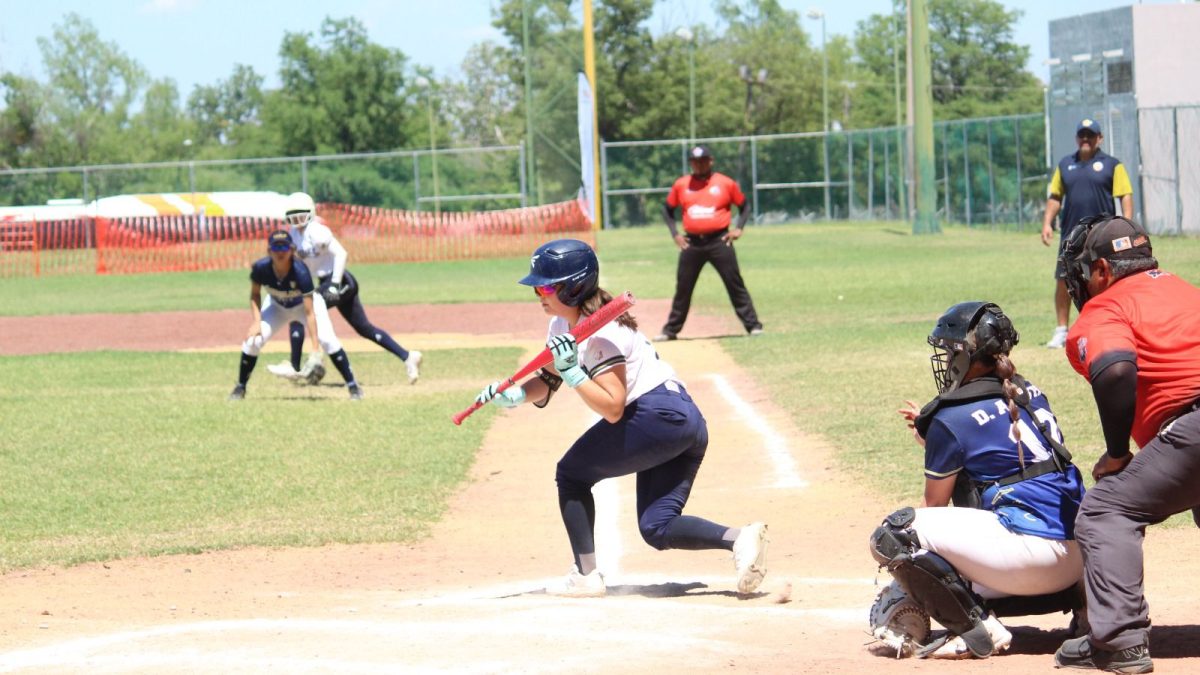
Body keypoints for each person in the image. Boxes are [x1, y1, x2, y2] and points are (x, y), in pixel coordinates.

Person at [474, 238, 769, 597]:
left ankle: (585, 575)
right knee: (657, 526)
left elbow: (613, 407)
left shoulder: (603, 333)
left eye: (547, 287)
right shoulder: (562, 326)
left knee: (571, 474)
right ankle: (739, 539)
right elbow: (548, 380)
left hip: (656, 414)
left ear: (573, 287)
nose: (539, 294)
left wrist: (573, 373)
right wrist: (517, 395)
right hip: (680, 420)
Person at [869, 301, 1086, 660]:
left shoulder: (950, 417)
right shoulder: (1028, 392)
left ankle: (979, 629)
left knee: (896, 536)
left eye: (948, 352)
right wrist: (935, 441)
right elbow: (1007, 452)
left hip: (1029, 564)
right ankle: (1089, 607)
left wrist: (908, 584)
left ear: (964, 355)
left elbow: (933, 508)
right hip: (1086, 559)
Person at [1051, 215, 1200, 674]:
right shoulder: (1187, 291)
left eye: (1084, 272)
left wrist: (1117, 454)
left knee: (1104, 511)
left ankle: (1120, 641)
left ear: (1102, 270)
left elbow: (1115, 369)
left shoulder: (1106, 306)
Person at [266, 192, 422, 386]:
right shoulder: (294, 236)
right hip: (327, 282)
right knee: (364, 328)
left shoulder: (317, 231)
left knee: (302, 310)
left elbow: (341, 254)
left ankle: (296, 365)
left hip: (341, 282)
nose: (297, 221)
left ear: (310, 213)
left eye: (301, 216)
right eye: (293, 217)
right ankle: (408, 357)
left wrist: (334, 283)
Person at [229, 229, 363, 401]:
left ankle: (353, 386)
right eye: (276, 247)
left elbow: (309, 313)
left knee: (328, 340)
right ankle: (240, 387)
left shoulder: (300, 271)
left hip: (304, 306)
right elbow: (255, 294)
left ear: (292, 250)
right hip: (277, 306)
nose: (280, 252)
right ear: (269, 251)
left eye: (284, 247)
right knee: (253, 341)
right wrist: (257, 321)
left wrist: (315, 349)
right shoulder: (260, 268)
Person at [1040, 119, 1133, 349]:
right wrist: (1047, 223)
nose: (1085, 139)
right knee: (1064, 280)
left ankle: (1106, 326)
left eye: (1090, 135)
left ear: (1099, 138)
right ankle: (1062, 331)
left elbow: (1125, 195)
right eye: (1082, 135)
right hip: (1071, 236)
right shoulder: (1065, 165)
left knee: (1104, 280)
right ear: (1076, 138)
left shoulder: (1113, 165)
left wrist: (1127, 225)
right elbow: (1055, 197)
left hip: (1101, 235)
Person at [655, 145, 763, 341]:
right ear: (691, 163)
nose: (699, 165)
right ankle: (670, 330)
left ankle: (753, 325)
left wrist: (738, 228)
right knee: (683, 287)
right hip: (692, 243)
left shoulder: (725, 183)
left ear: (710, 161)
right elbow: (667, 209)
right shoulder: (682, 184)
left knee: (734, 283)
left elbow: (745, 206)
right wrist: (675, 234)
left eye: (703, 160)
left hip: (719, 241)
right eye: (695, 161)